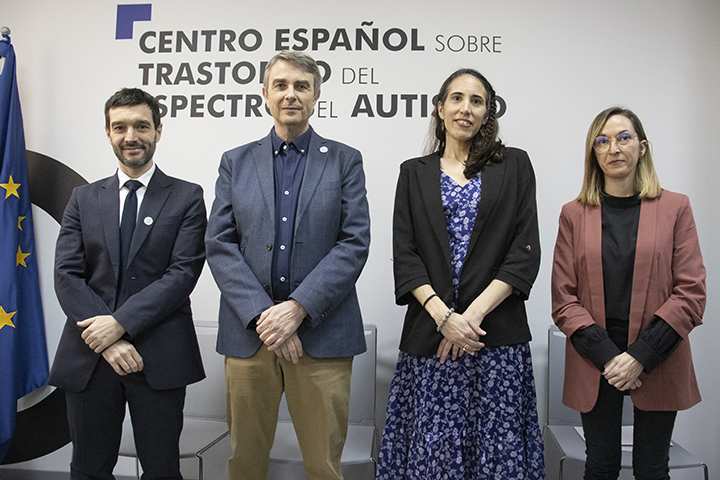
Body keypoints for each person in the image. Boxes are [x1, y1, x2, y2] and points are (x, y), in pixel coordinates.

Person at [205, 51, 371, 480]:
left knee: (322, 466)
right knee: (245, 463)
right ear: (264, 94)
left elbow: (354, 244)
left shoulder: (344, 160)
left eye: (301, 86)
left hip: (321, 333)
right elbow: (219, 244)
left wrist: (296, 309)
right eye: (280, 85)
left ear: (317, 95)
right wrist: (266, 317)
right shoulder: (234, 161)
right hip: (250, 337)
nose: (290, 94)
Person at [377, 68, 545, 479]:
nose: (465, 109)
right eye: (456, 98)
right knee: (433, 457)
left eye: (476, 101)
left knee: (497, 456)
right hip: (431, 338)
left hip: (495, 339)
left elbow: (524, 253)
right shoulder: (413, 172)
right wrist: (443, 318)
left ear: (488, 112)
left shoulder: (516, 165)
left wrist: (469, 319)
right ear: (439, 107)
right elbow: (406, 254)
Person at [49, 88, 207, 479]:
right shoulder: (83, 198)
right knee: (88, 468)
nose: (130, 136)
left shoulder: (187, 196)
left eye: (140, 126)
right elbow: (67, 275)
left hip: (159, 355)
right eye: (120, 127)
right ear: (107, 132)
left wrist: (119, 326)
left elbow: (182, 273)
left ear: (158, 130)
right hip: (90, 355)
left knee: (161, 469)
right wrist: (109, 339)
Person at [551, 107, 706, 480]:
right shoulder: (574, 213)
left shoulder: (675, 207)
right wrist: (610, 359)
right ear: (594, 153)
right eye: (602, 141)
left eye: (623, 137)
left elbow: (691, 293)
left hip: (657, 354)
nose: (613, 148)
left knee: (652, 470)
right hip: (596, 358)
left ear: (642, 147)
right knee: (600, 467)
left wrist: (639, 356)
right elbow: (564, 299)